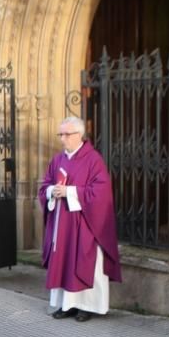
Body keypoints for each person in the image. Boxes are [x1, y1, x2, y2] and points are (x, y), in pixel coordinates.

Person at [39, 116, 122, 322]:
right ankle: (66, 305)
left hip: (85, 224)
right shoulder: (58, 160)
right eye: (60, 134)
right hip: (62, 223)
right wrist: (51, 190)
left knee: (85, 263)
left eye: (66, 134)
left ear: (79, 135)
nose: (62, 139)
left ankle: (87, 306)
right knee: (64, 262)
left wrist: (69, 192)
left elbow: (101, 193)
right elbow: (45, 185)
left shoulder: (93, 159)